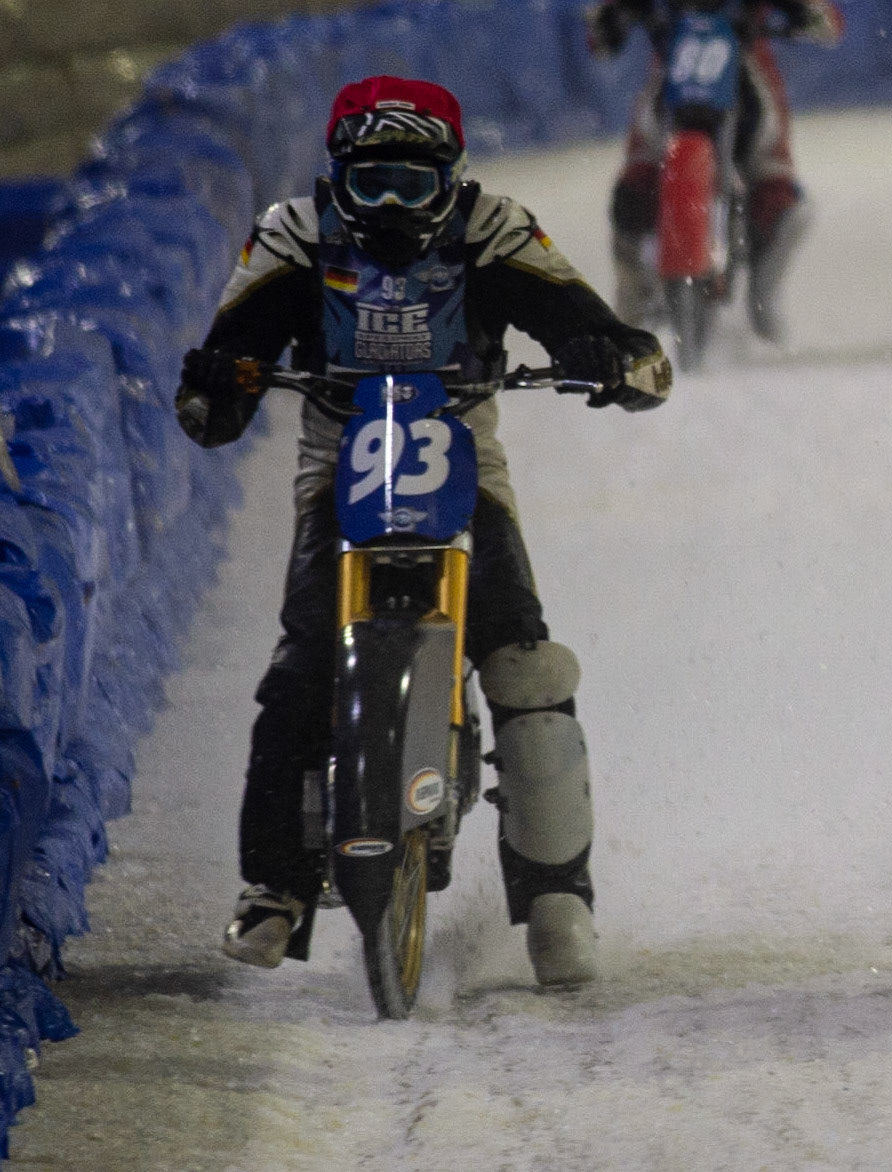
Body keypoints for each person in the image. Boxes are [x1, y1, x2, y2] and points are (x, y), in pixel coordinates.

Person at [175, 76, 671, 985]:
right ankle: (276, 888)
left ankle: (560, 897)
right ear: (337, 180)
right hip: (339, 460)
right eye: (374, 184)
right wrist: (220, 381)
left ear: (453, 179)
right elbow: (229, 356)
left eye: (414, 182)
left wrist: (614, 356)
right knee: (298, 666)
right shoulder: (292, 233)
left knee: (525, 664)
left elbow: (582, 318)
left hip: (462, 452)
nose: (395, 205)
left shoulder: (495, 229)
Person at [587, 0, 844, 341]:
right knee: (633, 197)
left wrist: (808, 14)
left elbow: (827, 23)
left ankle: (762, 304)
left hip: (745, 80)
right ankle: (629, 325)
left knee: (780, 203)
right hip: (672, 83)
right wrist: (609, 19)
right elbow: (601, 37)